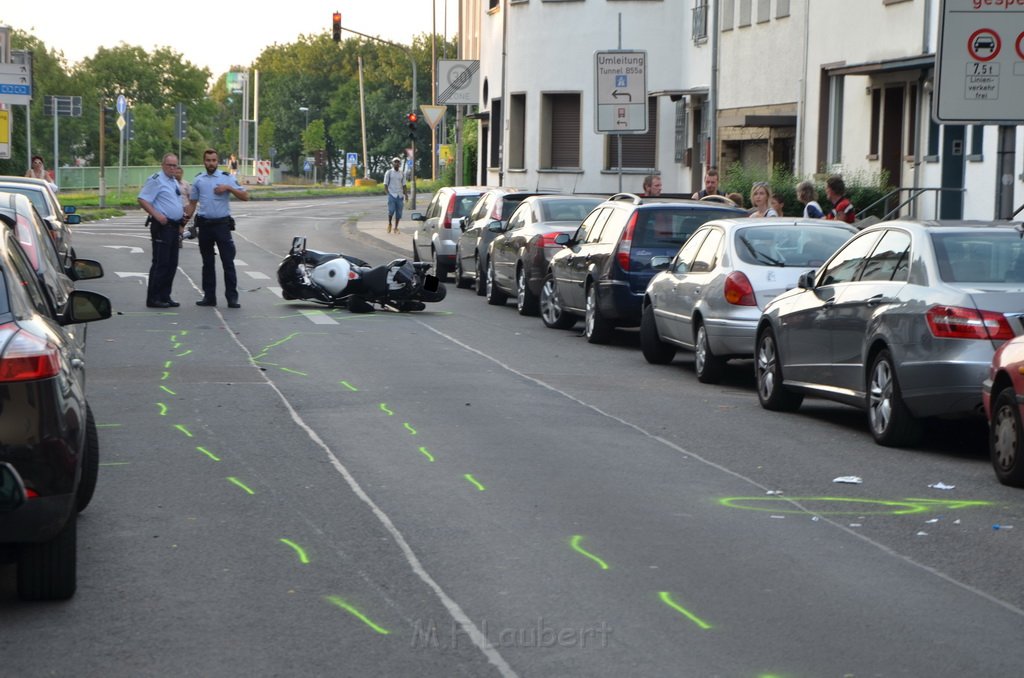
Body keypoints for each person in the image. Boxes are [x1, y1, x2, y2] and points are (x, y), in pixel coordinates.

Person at [186, 148, 249, 308]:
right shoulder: (198, 179)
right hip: (205, 225)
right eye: (208, 160)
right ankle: (209, 297)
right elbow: (192, 203)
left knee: (228, 262)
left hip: (222, 225)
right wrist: (183, 222)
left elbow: (245, 196)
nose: (211, 163)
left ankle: (232, 298)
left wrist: (228, 189)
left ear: (217, 161)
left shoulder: (226, 178)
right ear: (204, 161)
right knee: (207, 263)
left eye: (214, 160)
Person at [138, 153, 186, 308]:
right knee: (161, 263)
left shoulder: (173, 181)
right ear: (163, 165)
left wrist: (180, 222)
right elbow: (143, 199)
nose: (173, 168)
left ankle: (166, 296)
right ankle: (154, 298)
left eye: (175, 165)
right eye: (170, 165)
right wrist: (157, 215)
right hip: (162, 227)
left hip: (173, 226)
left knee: (172, 263)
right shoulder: (156, 180)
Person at [384, 157, 408, 234]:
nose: (396, 163)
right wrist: (388, 193)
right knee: (391, 211)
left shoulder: (402, 173)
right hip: (392, 194)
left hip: (400, 195)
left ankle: (396, 228)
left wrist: (406, 194)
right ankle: (390, 223)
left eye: (398, 162)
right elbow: (385, 184)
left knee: (399, 213)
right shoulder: (389, 172)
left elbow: (404, 185)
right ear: (392, 163)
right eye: (395, 162)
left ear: (400, 164)